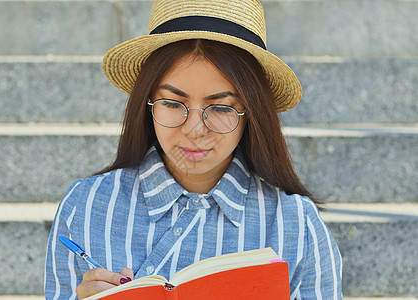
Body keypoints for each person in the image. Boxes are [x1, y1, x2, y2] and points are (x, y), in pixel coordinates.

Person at [44, 0, 343, 299]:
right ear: (147, 104)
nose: (195, 129)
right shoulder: (85, 206)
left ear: (250, 112)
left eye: (221, 107)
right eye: (173, 104)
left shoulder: (295, 224)